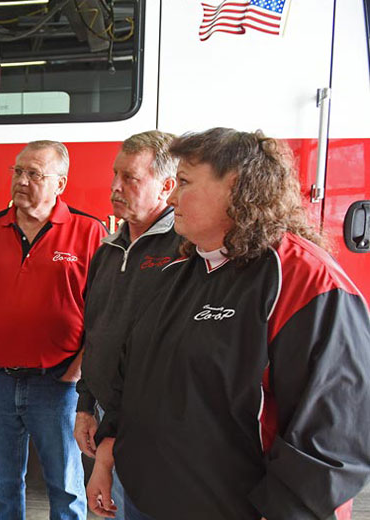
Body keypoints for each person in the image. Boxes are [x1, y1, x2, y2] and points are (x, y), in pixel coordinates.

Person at [87, 128, 370, 520]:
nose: (170, 197)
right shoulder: (180, 271)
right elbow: (137, 375)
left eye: (183, 182)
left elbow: (334, 441)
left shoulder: (305, 282)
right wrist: (107, 451)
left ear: (236, 187)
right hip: (144, 499)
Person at [0, 141, 105, 519]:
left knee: (66, 488)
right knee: (1, 486)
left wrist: (74, 374)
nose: (22, 181)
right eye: (17, 172)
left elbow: (102, 319)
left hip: (57, 385)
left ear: (61, 183)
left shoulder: (89, 233)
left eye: (34, 174)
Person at [72, 131, 182, 518]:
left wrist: (111, 437)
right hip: (109, 417)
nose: (116, 187)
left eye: (131, 178)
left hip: (149, 429)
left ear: (167, 187)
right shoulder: (108, 249)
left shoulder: (182, 253)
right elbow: (95, 331)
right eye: (115, 175)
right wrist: (85, 404)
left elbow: (155, 359)